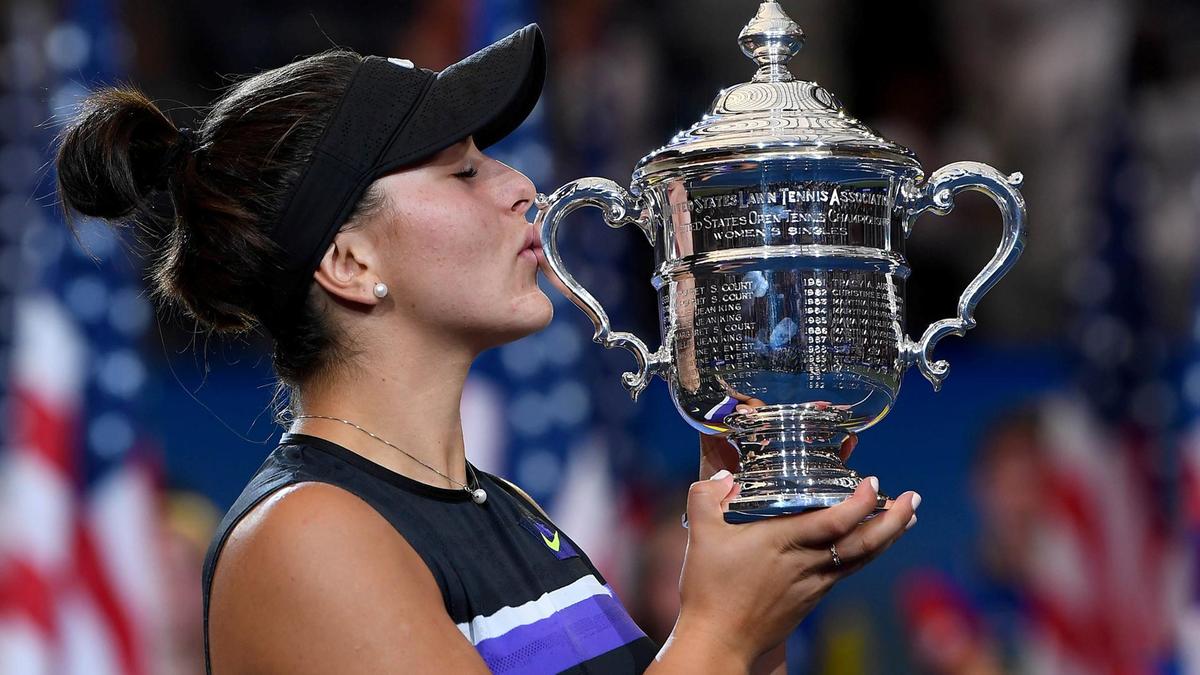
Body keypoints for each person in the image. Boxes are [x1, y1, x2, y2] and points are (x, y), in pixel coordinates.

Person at [54, 23, 920, 674]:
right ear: (349, 262)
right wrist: (720, 631)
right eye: (462, 170)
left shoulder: (498, 506)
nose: (519, 188)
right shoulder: (306, 538)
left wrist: (756, 616)